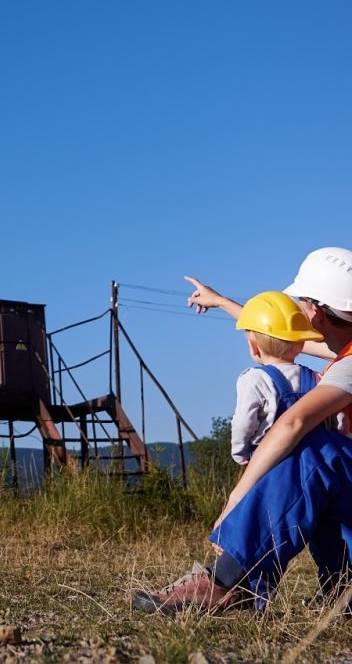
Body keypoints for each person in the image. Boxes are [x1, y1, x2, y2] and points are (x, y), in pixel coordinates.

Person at [134, 247, 352, 613]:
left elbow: (293, 422)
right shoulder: (343, 353)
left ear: (314, 309)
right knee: (322, 459)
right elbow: (281, 339)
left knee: (315, 451)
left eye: (299, 303)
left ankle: (225, 581)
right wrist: (222, 302)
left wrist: (237, 498)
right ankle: (340, 585)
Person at [229, 291, 323, 466]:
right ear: (301, 343)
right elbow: (338, 420)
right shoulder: (318, 378)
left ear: (253, 346)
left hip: (273, 462)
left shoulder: (254, 380)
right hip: (317, 460)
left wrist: (240, 453)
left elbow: (244, 422)